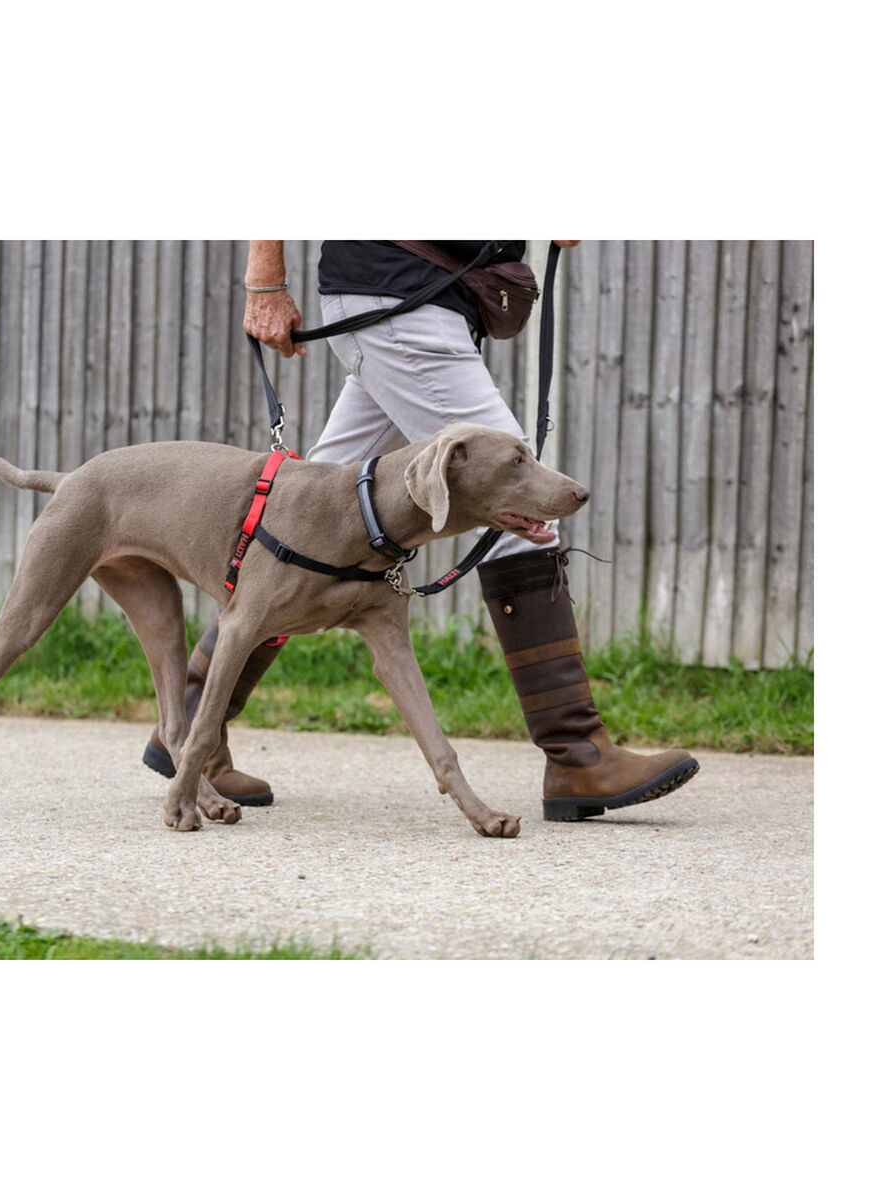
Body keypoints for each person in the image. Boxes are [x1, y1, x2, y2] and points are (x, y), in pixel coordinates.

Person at [143, 240, 698, 821]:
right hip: (400, 293)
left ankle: (189, 722)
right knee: (516, 508)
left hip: (426, 294)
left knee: (309, 536)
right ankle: (578, 753)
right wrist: (264, 278)